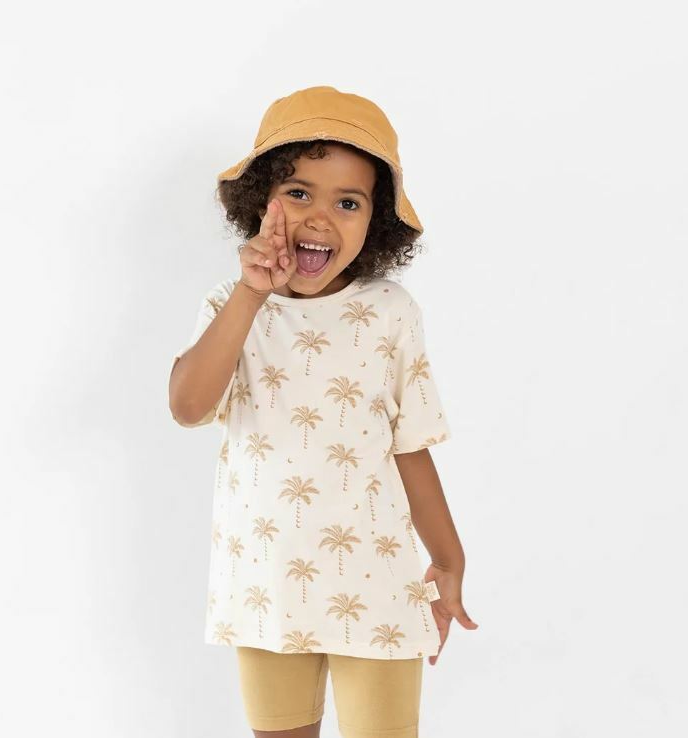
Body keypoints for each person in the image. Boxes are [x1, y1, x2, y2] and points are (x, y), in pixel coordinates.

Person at [169, 85, 477, 738]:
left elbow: (411, 446)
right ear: (262, 199)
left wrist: (449, 560)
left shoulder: (390, 312)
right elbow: (189, 407)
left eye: (348, 202)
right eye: (299, 192)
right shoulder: (232, 304)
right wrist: (252, 294)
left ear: (376, 221)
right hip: (265, 586)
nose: (319, 217)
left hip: (378, 585)